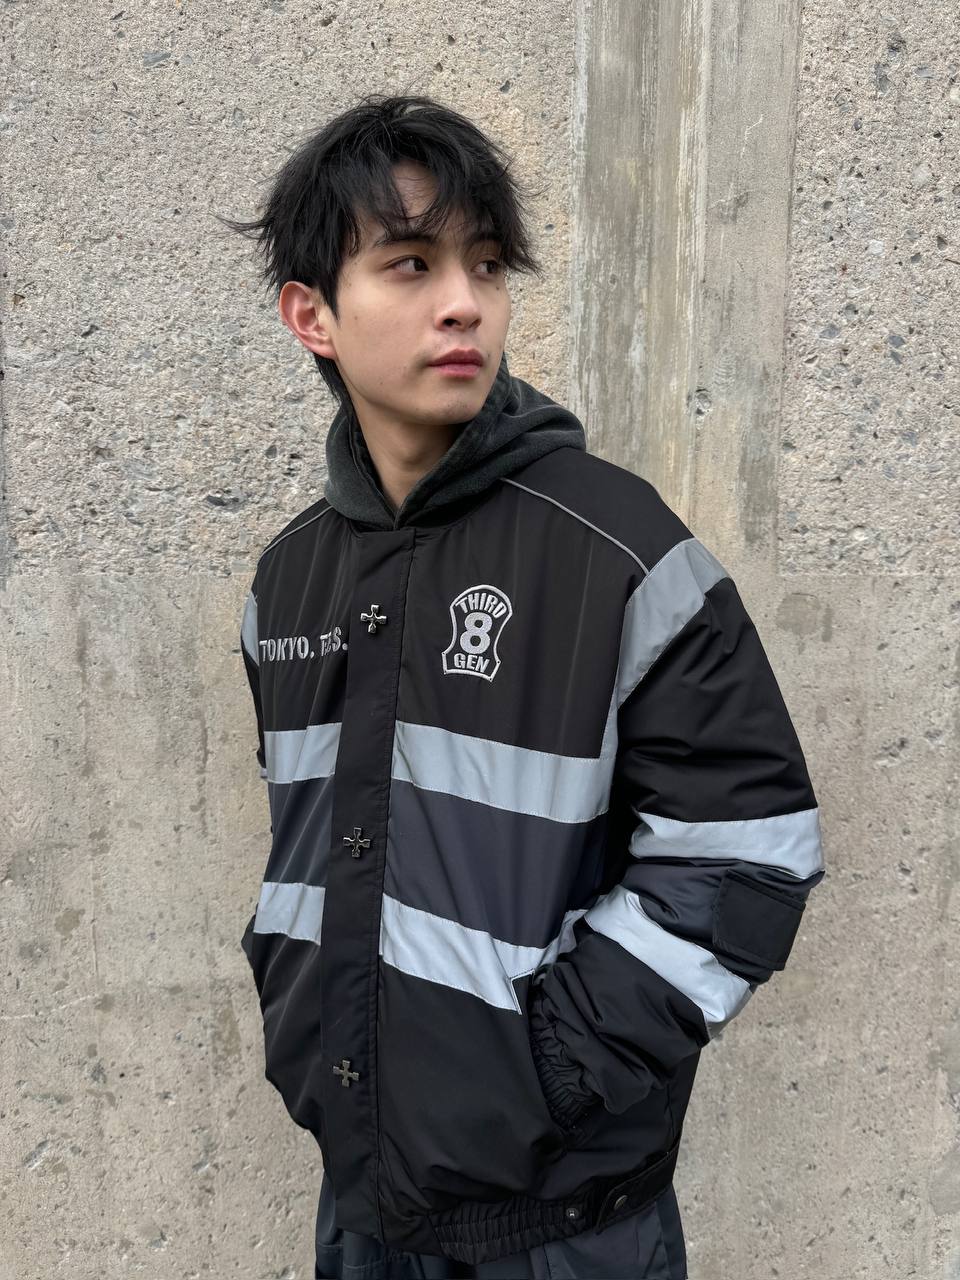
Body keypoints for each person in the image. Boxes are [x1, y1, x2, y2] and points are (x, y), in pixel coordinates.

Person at [221, 92, 825, 1280]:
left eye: (487, 265)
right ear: (312, 314)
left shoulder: (615, 548)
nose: (465, 302)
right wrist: (298, 999)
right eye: (410, 263)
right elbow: (314, 841)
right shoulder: (287, 580)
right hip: (363, 1201)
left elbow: (752, 851)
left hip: (566, 1229)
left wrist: (549, 1064)